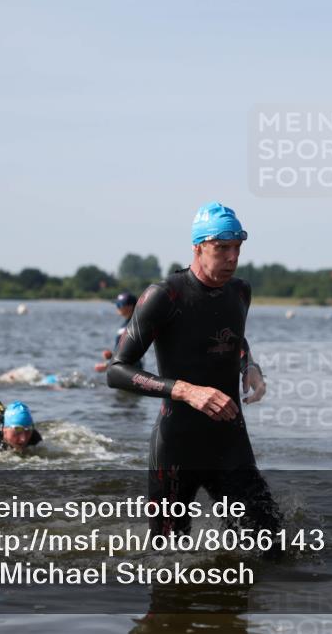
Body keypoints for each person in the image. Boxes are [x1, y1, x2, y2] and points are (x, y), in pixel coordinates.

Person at [106, 201, 277, 538]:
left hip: (229, 440)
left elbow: (232, 336)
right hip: (176, 446)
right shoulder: (164, 295)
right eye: (221, 248)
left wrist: (249, 365)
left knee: (271, 541)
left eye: (237, 248)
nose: (232, 257)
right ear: (198, 247)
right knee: (169, 554)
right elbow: (116, 371)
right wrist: (186, 390)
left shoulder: (240, 292)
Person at [94, 292, 138, 373]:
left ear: (130, 306)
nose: (117, 307)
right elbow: (123, 350)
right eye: (117, 305)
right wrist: (111, 355)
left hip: (131, 370)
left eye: (119, 305)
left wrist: (107, 365)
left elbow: (129, 354)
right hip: (127, 368)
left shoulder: (132, 327)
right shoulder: (127, 325)